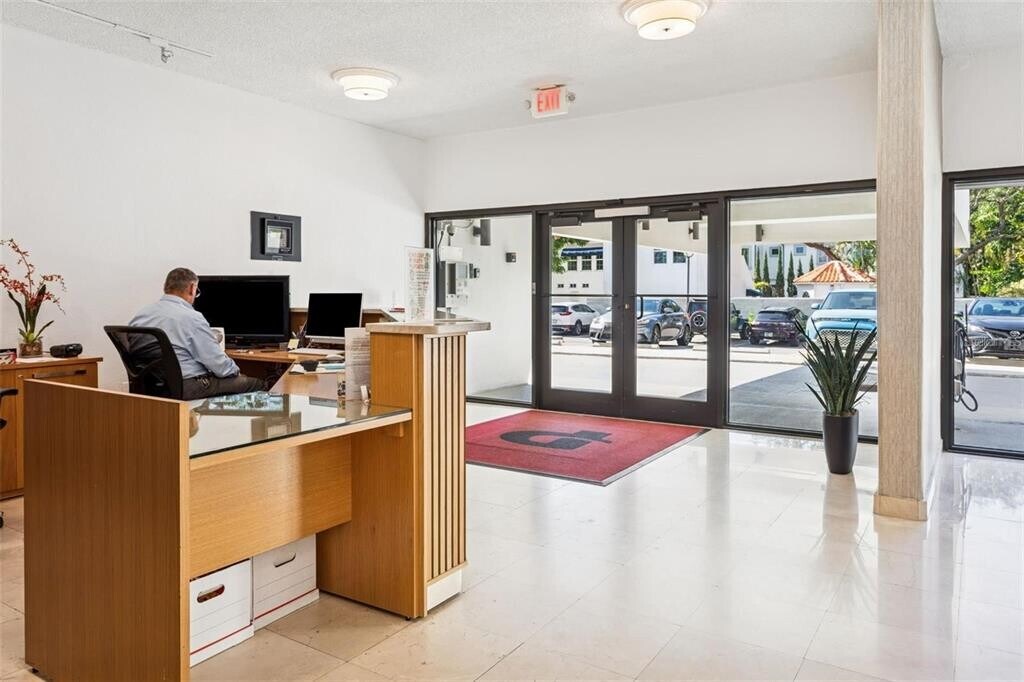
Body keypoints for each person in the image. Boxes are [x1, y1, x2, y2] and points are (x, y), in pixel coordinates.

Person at [131, 268, 266, 400]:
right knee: (256, 384)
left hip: (150, 385)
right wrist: (236, 371)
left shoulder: (142, 314)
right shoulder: (192, 317)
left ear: (165, 287)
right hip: (189, 386)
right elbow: (218, 364)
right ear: (192, 288)